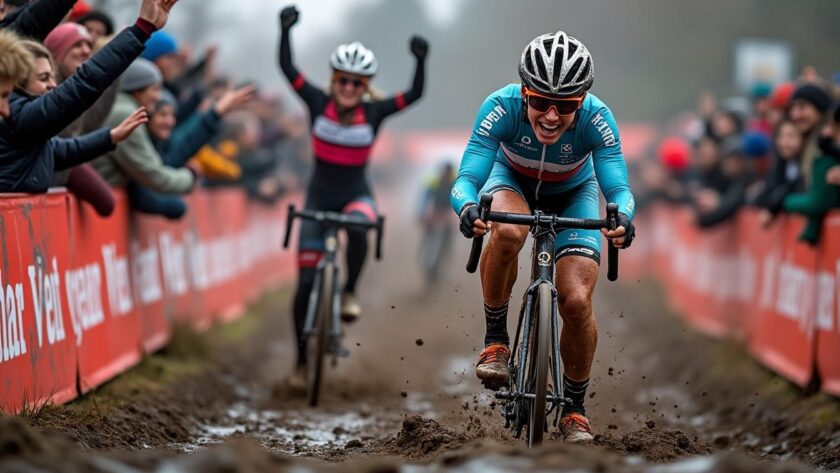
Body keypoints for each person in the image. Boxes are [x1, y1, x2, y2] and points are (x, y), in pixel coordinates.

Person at [450, 31, 634, 442]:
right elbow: (466, 179)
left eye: (566, 106)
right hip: (510, 179)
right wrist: (467, 208)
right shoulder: (500, 107)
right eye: (540, 102)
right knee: (510, 229)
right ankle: (496, 339)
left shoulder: (598, 119)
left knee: (575, 298)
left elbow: (618, 191)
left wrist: (623, 218)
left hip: (575, 193)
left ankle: (575, 408)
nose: (551, 116)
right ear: (524, 92)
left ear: (582, 101)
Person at [278, 4, 427, 387]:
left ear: (365, 87)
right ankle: (299, 362)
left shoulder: (374, 111)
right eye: (343, 81)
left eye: (356, 83)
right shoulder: (316, 102)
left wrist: (419, 60)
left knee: (361, 226)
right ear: (333, 80)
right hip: (318, 196)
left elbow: (413, 94)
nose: (348, 89)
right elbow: (289, 70)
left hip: (356, 193)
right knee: (306, 283)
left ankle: (348, 291)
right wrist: (285, 30)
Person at [0, 0, 180, 193]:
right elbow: (85, 83)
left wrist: (108, 137)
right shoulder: (21, 117)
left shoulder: (23, 119)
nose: (4, 109)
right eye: (44, 78)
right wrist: (141, 29)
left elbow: (55, 151)